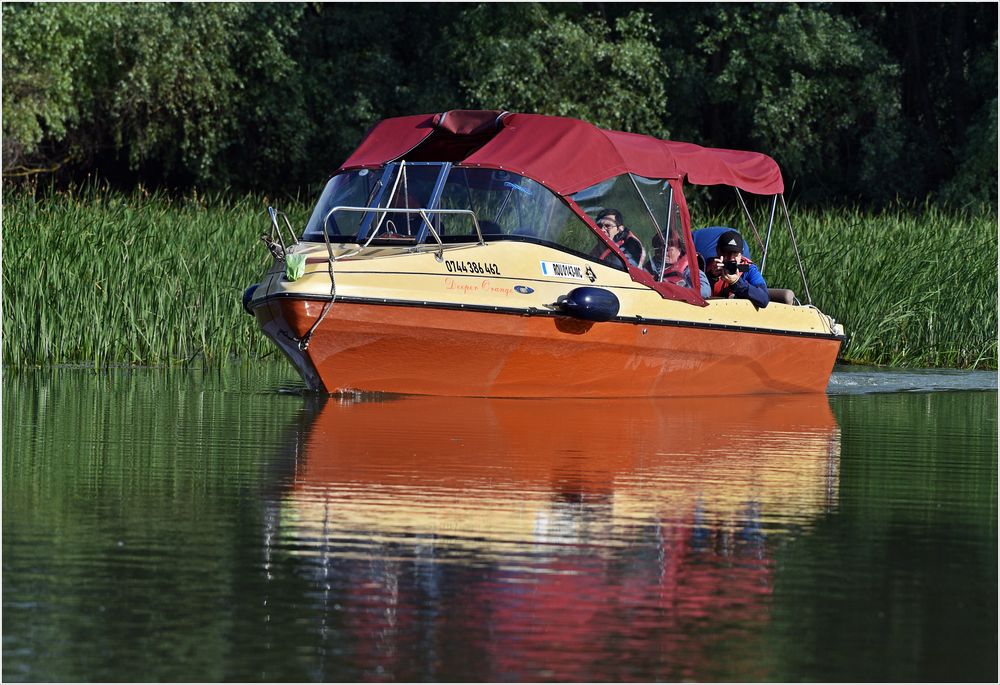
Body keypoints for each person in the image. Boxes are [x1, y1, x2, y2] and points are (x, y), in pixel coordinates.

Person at [705, 229, 769, 308]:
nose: (731, 258)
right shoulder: (708, 265)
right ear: (718, 251)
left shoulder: (747, 269)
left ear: (740, 254)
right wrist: (711, 276)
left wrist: (737, 283)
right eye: (727, 253)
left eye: (735, 253)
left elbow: (764, 299)